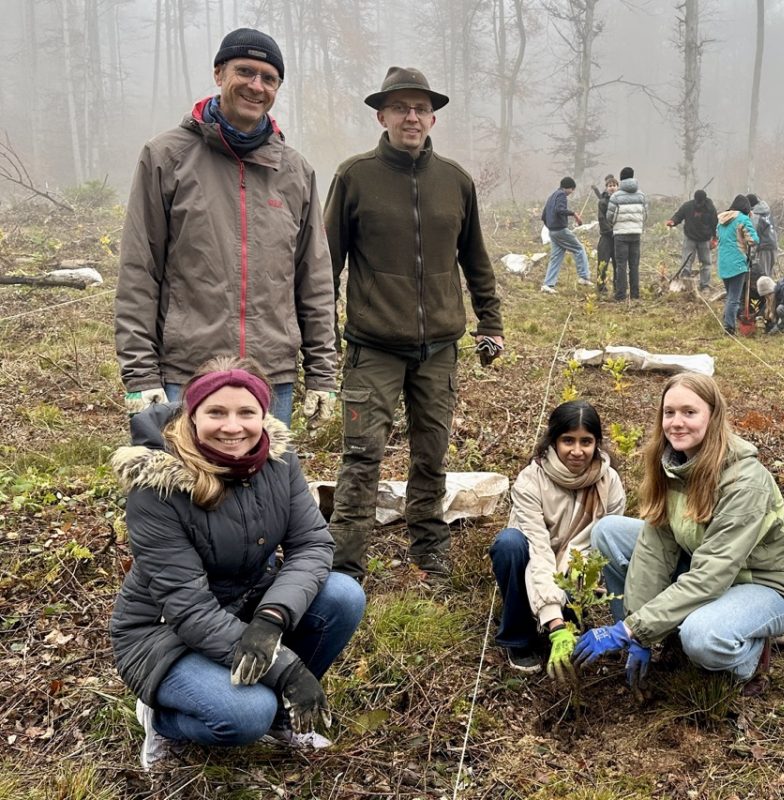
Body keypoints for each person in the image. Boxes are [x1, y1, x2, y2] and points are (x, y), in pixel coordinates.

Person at [109, 356, 365, 770]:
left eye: (247, 412)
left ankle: (285, 719)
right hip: (164, 634)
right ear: (192, 414)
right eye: (216, 412)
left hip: (248, 604)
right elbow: (187, 607)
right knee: (246, 714)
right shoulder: (155, 487)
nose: (232, 427)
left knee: (343, 595)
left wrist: (272, 617)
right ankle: (163, 722)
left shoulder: (278, 461)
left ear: (264, 415)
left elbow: (313, 544)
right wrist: (286, 668)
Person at [324, 66, 505, 582]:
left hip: (440, 349)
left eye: (421, 108)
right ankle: (345, 565)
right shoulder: (354, 176)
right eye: (401, 107)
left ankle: (429, 547)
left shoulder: (456, 181)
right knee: (361, 457)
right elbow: (324, 262)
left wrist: (490, 321)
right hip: (372, 347)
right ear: (381, 115)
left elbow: (476, 259)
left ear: (432, 118)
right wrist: (319, 332)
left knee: (432, 452)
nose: (411, 117)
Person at [115, 28, 338, 426]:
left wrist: (322, 374)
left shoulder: (295, 171)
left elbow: (314, 279)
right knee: (186, 487)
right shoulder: (166, 156)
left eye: (269, 78)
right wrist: (139, 372)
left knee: (265, 488)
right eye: (245, 72)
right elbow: (139, 269)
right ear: (219, 74)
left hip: (270, 378)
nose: (256, 86)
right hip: (186, 374)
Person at [573, 373, 784, 690]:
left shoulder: (744, 480)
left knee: (702, 637)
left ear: (713, 416)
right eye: (669, 413)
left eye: (689, 412)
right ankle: (645, 642)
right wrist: (636, 630)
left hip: (763, 583)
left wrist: (634, 628)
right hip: (705, 565)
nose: (676, 423)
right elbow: (655, 551)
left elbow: (712, 574)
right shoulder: (672, 464)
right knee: (609, 531)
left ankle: (747, 659)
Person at [488, 400, 626, 675]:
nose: (577, 451)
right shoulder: (531, 480)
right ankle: (519, 636)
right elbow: (538, 550)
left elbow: (602, 546)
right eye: (568, 441)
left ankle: (567, 618)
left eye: (586, 441)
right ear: (553, 441)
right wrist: (555, 622)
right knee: (509, 544)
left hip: (575, 570)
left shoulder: (608, 481)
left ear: (597, 443)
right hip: (534, 560)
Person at [715, 195, 759, 335]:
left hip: (723, 263)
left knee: (730, 296)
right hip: (737, 263)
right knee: (734, 298)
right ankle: (729, 327)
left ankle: (727, 319)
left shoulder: (721, 220)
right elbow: (754, 240)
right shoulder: (743, 219)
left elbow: (718, 238)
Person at [540, 177, 592, 293]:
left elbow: (543, 215)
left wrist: (551, 226)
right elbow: (560, 210)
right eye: (572, 190)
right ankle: (584, 277)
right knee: (579, 248)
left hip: (552, 231)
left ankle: (548, 285)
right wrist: (574, 214)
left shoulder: (552, 196)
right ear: (570, 188)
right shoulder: (562, 195)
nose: (572, 192)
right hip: (560, 230)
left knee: (556, 257)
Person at [606, 166, 648, 301]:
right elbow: (645, 215)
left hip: (621, 235)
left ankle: (620, 295)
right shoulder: (641, 195)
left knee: (621, 265)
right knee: (634, 265)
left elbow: (610, 217)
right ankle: (635, 294)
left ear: (621, 179)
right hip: (636, 234)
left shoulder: (616, 196)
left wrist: (616, 225)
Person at [666, 189, 719, 290]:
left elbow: (714, 224)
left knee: (706, 263)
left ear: (704, 200)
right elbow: (678, 215)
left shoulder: (710, 208)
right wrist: (673, 221)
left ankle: (705, 286)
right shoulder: (688, 206)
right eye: (697, 201)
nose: (699, 204)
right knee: (686, 261)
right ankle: (684, 284)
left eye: (701, 202)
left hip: (704, 239)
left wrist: (715, 238)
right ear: (694, 199)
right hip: (690, 237)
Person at [591, 175, 619, 294]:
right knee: (603, 262)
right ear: (606, 188)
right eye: (609, 186)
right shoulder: (603, 202)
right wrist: (610, 231)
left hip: (619, 238)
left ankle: (618, 287)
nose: (612, 188)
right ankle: (601, 287)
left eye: (614, 185)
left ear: (618, 187)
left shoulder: (621, 201)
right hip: (606, 237)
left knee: (618, 264)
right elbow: (602, 219)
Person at [747, 194, 779, 278]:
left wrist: (751, 254)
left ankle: (766, 291)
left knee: (763, 276)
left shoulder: (756, 215)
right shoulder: (767, 211)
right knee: (768, 274)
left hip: (764, 247)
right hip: (773, 245)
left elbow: (753, 235)